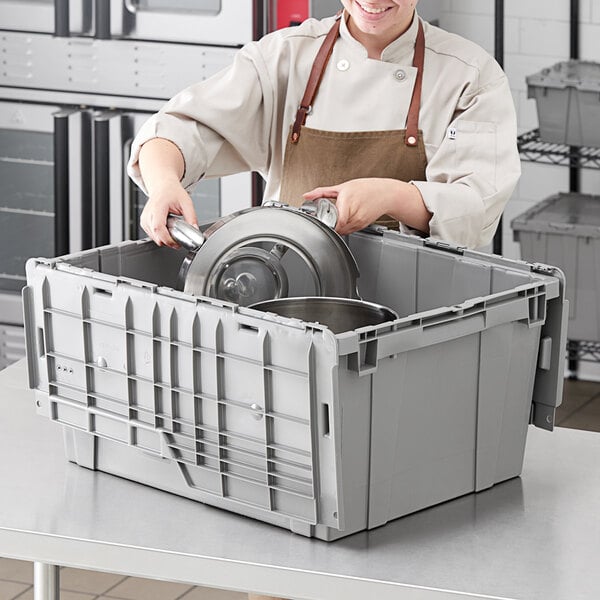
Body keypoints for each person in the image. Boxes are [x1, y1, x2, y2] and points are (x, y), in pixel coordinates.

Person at [128, 2, 520, 599]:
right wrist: (165, 182)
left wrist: (393, 194)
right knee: (293, 525)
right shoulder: (285, 59)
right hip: (291, 336)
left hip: (412, 341)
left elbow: (477, 198)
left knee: (405, 527)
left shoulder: (467, 73)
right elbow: (181, 128)